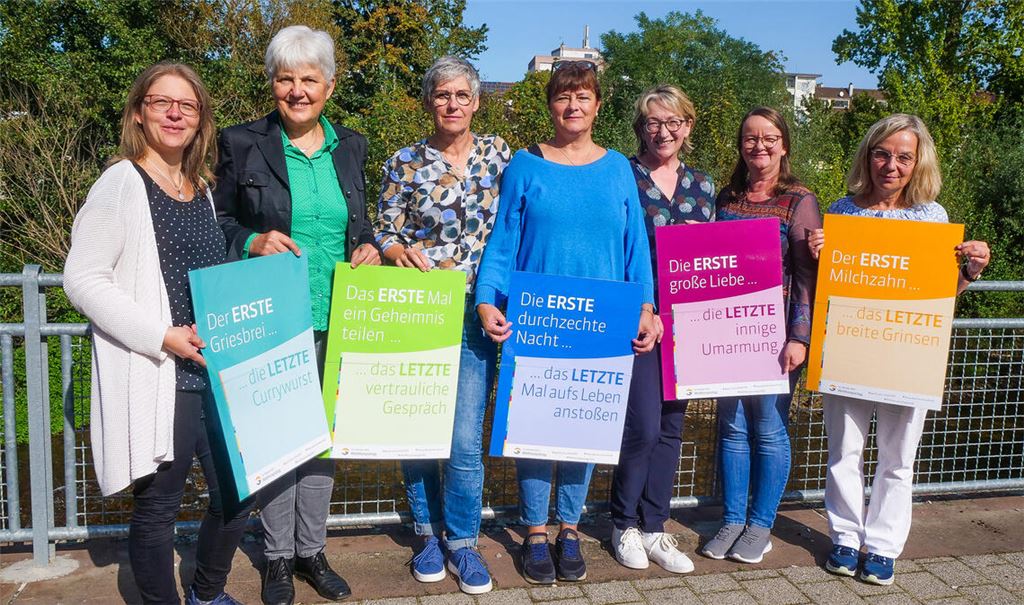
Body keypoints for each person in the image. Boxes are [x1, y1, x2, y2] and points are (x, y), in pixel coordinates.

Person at [64, 62, 252, 605]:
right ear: (139, 112)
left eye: (187, 105)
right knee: (158, 509)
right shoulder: (121, 182)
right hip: (162, 372)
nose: (174, 113)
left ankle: (207, 593)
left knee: (239, 492)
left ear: (200, 120)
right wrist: (159, 335)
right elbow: (82, 278)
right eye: (161, 102)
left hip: (213, 370)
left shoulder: (202, 188)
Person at [213, 25, 380, 605]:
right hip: (274, 318)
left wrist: (370, 245)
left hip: (340, 318)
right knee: (279, 438)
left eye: (309, 79)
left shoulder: (352, 145)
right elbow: (217, 225)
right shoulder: (240, 143)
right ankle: (278, 557)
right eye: (286, 79)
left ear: (329, 86)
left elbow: (357, 224)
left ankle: (313, 551)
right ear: (272, 84)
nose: (298, 90)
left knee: (323, 442)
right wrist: (252, 241)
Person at [474, 62, 657, 585]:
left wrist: (644, 307)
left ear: (598, 105)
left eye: (583, 96)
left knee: (583, 426)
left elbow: (635, 248)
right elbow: (502, 242)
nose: (572, 106)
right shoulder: (525, 167)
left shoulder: (620, 168)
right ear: (550, 105)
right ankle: (535, 532)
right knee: (535, 431)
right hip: (538, 320)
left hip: (601, 324)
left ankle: (570, 528)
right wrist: (487, 300)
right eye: (563, 97)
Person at [807, 114, 990, 586]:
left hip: (908, 352)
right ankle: (846, 538)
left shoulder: (934, 217)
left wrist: (969, 271)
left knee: (898, 457)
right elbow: (831, 284)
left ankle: (883, 547)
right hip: (851, 346)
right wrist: (819, 253)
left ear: (918, 162)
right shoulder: (842, 211)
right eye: (882, 153)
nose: (891, 165)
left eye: (903, 157)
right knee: (844, 450)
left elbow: (941, 291)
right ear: (868, 156)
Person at [375, 55, 511, 595]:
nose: (451, 104)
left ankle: (464, 541)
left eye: (461, 95)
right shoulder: (405, 162)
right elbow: (383, 230)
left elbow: (522, 219)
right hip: (417, 309)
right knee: (415, 428)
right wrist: (393, 248)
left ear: (475, 101)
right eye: (441, 95)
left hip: (476, 313)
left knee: (461, 436)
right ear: (429, 102)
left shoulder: (501, 156)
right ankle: (426, 533)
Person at [699, 107, 821, 564]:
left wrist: (800, 337)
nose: (759, 146)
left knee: (768, 429)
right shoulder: (726, 197)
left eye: (769, 138)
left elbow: (807, 277)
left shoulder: (799, 199)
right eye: (750, 138)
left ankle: (761, 524)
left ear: (784, 144)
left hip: (775, 336)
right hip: (727, 333)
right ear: (741, 145)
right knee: (730, 428)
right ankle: (732, 519)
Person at [610, 84, 714, 574]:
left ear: (688, 126)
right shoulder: (621, 176)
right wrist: (638, 307)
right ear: (640, 128)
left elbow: (720, 256)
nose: (664, 131)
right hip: (639, 318)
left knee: (672, 428)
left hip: (690, 321)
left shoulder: (703, 186)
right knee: (643, 426)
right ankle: (622, 523)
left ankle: (655, 526)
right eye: (654, 122)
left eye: (674, 121)